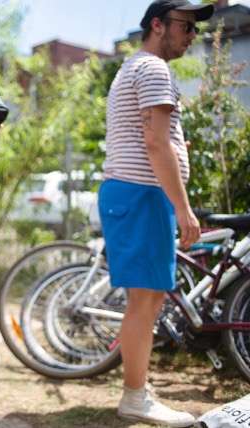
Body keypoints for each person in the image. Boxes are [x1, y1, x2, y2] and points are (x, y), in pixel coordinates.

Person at [99, 1, 213, 426]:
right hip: (141, 193)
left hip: (139, 194)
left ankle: (138, 390)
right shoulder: (152, 70)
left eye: (195, 28)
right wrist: (183, 209)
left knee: (146, 301)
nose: (191, 35)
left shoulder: (140, 68)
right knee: (145, 302)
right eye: (186, 25)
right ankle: (135, 397)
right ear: (158, 25)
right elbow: (156, 142)